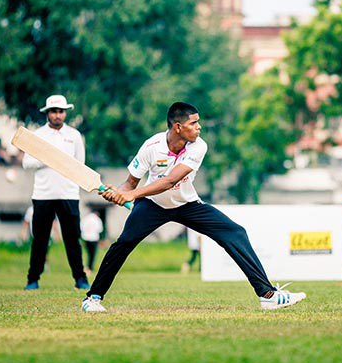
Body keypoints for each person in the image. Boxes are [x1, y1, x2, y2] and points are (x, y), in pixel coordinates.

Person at [82, 102, 306, 312]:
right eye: (193, 123)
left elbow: (169, 181)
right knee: (123, 244)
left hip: (187, 203)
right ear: (178, 127)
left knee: (235, 232)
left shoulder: (198, 146)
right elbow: (130, 183)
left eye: (198, 122)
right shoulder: (151, 146)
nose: (199, 127)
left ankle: (268, 296)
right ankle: (92, 298)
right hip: (153, 205)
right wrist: (119, 194)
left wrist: (129, 194)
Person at [22, 94, 90, 290]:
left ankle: (80, 278)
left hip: (69, 194)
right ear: (47, 113)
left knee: (72, 239)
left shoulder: (75, 136)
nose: (58, 115)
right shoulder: (38, 135)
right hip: (43, 195)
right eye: (54, 111)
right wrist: (48, 158)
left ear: (65, 113)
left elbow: (80, 165)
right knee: (40, 240)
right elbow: (27, 163)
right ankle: (33, 279)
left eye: (61, 111)